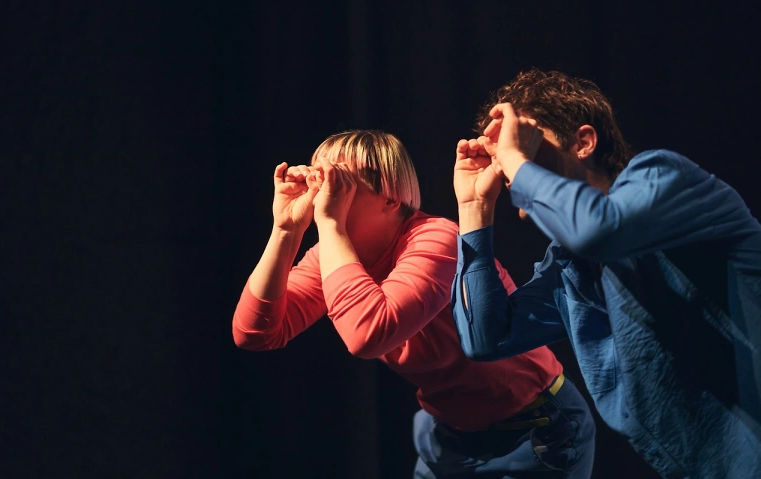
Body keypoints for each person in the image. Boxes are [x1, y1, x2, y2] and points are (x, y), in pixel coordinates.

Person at [451, 69, 761, 478]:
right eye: (502, 154)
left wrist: (514, 159)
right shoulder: (569, 268)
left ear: (583, 142)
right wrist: (474, 208)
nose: (508, 167)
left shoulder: (665, 178)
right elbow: (486, 338)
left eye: (524, 141)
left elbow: (597, 230)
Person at [232, 129, 596, 478]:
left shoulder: (437, 239)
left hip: (532, 429)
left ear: (390, 198)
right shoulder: (330, 255)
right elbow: (254, 333)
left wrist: (330, 225)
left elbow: (368, 335)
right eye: (320, 180)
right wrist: (285, 230)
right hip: (448, 435)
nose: (324, 193)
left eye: (340, 182)